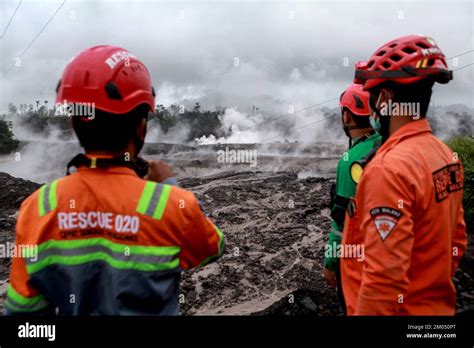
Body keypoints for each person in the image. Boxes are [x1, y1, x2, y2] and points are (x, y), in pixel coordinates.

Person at [5, 46, 224, 315]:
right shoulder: (173, 205)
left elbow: (23, 316)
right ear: (141, 125)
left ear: (74, 122)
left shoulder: (38, 208)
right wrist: (168, 184)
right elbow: (212, 248)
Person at [341, 35, 467, 315]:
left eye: (372, 98)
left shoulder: (387, 170)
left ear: (385, 99)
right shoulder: (446, 156)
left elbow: (383, 282)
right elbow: (456, 241)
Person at [323, 83, 381, 313]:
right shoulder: (387, 144)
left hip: (359, 264)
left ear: (346, 115)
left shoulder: (351, 160)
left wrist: (330, 263)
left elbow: (341, 221)